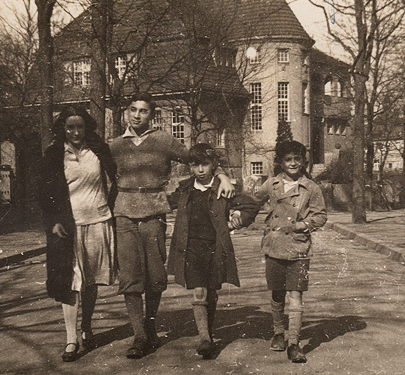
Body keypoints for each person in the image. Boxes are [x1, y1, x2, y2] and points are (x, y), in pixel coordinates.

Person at [109, 92, 234, 359]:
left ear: (151, 115)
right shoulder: (115, 145)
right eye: (133, 110)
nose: (137, 115)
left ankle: (151, 328)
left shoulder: (164, 140)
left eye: (143, 111)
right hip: (124, 214)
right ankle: (139, 336)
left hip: (154, 212)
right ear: (127, 112)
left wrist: (222, 175)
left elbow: (198, 158)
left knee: (155, 277)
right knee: (130, 278)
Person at [38, 106, 118, 362]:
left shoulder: (99, 150)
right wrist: (52, 221)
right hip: (69, 227)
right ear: (63, 128)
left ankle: (87, 327)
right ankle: (71, 339)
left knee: (90, 281)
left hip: (99, 221)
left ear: (87, 127)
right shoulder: (53, 155)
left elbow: (118, 177)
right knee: (71, 282)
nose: (75, 132)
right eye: (70, 127)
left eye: (80, 127)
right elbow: (42, 193)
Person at [167, 143, 259, 359]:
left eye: (205, 165)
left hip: (215, 248)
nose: (200, 170)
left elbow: (251, 206)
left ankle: (208, 329)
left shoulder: (223, 188)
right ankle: (205, 339)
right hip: (191, 248)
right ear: (190, 166)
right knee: (199, 291)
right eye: (195, 165)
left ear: (213, 165)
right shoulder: (185, 188)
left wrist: (234, 223)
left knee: (212, 291)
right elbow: (164, 203)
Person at [253, 140, 327, 363]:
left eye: (297, 159)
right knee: (277, 293)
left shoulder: (311, 187)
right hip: (274, 246)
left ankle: (294, 343)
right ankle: (278, 333)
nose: (293, 163)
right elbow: (253, 202)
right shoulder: (271, 184)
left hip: (299, 248)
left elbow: (321, 216)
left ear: (303, 161)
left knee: (295, 295)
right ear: (280, 162)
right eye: (288, 159)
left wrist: (300, 226)